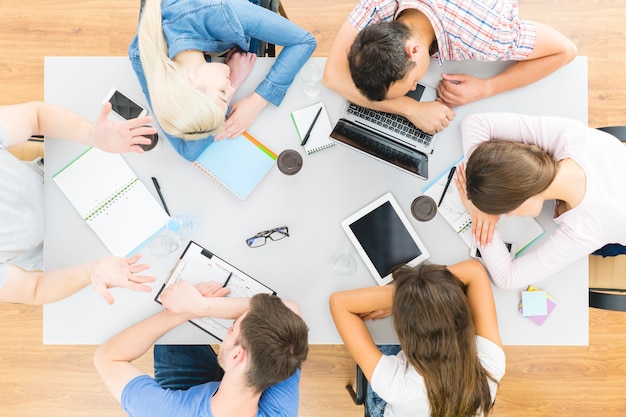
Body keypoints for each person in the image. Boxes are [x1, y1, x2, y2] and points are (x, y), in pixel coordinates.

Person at [323, 0, 577, 135]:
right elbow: (333, 76)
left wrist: (487, 87)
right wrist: (410, 108)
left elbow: (565, 50)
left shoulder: (486, 35)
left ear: (414, 50)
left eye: (409, 84)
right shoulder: (379, 5)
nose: (414, 87)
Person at [0, 101, 158, 305]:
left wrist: (91, 135)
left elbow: (36, 116)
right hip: (63, 250)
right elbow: (34, 289)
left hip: (63, 173)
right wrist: (90, 272)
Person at [129, 0, 317, 161]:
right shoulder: (147, 59)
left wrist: (257, 101)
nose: (230, 90)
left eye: (222, 93)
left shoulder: (217, 12)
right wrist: (233, 82)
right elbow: (188, 150)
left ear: (192, 78)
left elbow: (304, 41)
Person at [455, 112, 626, 289]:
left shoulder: (587, 229)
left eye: (506, 209)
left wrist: (477, 216)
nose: (507, 214)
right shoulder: (571, 137)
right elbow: (474, 123)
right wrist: (483, 188)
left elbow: (508, 278)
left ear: (524, 197)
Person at [94, 280, 309, 417]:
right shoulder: (279, 409)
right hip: (224, 391)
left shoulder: (165, 411)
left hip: (186, 396)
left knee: (174, 338)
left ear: (236, 356)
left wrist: (187, 312)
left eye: (233, 329)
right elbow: (290, 310)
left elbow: (106, 358)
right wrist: (202, 305)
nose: (229, 329)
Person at [329, 260, 505, 417]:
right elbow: (475, 271)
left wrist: (405, 298)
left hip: (393, 401)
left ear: (407, 334)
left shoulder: (397, 386)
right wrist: (416, 299)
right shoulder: (489, 363)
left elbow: (339, 303)